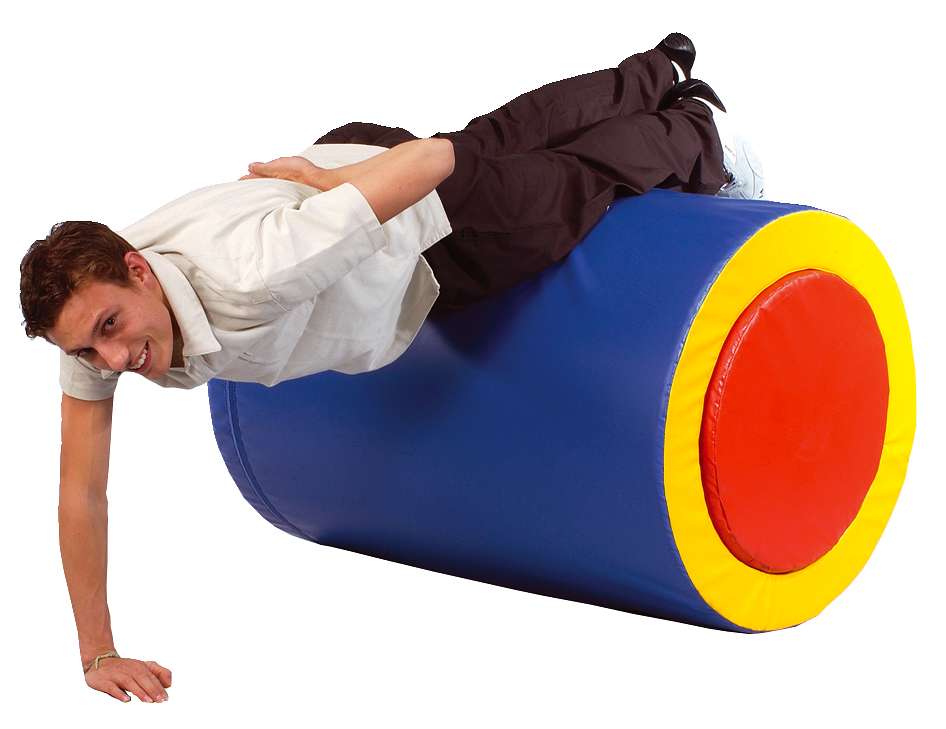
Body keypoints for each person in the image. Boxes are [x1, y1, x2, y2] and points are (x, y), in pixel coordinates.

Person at [17, 32, 762, 704]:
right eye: (86, 350)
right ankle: (657, 68)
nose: (113, 361)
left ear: (138, 270)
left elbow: (437, 160)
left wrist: (353, 185)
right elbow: (81, 490)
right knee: (503, 137)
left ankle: (699, 131)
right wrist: (98, 652)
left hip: (423, 222)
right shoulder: (95, 299)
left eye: (111, 330)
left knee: (571, 187)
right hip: (349, 164)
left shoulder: (253, 278)